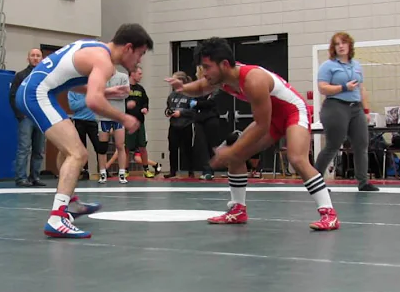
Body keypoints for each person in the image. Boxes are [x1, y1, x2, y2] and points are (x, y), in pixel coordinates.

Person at [165, 37, 339, 231]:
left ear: (223, 64)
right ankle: (238, 210)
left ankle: (329, 214)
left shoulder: (253, 79)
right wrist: (182, 88)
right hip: (271, 116)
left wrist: (232, 152)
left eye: (206, 67)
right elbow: (200, 87)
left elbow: (262, 126)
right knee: (236, 155)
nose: (204, 73)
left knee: (297, 158)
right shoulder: (222, 78)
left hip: (293, 112)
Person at [16, 23, 152, 238]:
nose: (139, 61)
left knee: (66, 150)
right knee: (77, 153)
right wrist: (124, 117)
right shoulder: (104, 62)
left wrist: (106, 91)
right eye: (140, 54)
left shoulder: (93, 48)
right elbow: (92, 101)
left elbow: (71, 82)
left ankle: (70, 203)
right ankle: (58, 217)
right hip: (37, 94)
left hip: (36, 91)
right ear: (128, 48)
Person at [314, 32, 379, 191]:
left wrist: (366, 110)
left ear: (349, 45)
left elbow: (362, 89)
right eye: (337, 44)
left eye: (343, 43)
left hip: (355, 108)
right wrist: (343, 87)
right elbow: (322, 88)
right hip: (335, 106)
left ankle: (363, 182)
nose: (341, 46)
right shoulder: (328, 66)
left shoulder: (356, 65)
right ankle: (315, 181)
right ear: (333, 48)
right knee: (333, 144)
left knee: (361, 143)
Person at [9, 48, 46, 187]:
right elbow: (12, 96)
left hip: (41, 117)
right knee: (24, 148)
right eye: (33, 55)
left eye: (38, 56)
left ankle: (35, 177)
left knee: (39, 149)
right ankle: (21, 178)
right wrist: (20, 114)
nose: (35, 58)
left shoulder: (45, 76)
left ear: (42, 59)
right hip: (26, 117)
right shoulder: (20, 76)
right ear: (28, 58)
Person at [97, 70, 131, 184]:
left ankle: (122, 173)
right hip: (103, 116)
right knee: (102, 147)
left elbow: (125, 94)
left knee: (120, 145)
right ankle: (102, 173)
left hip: (118, 116)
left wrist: (107, 93)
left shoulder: (123, 76)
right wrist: (114, 92)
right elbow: (97, 93)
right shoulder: (100, 76)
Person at [125, 65, 155, 178]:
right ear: (132, 74)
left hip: (140, 123)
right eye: (139, 73)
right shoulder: (125, 88)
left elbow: (145, 101)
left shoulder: (141, 89)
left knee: (142, 147)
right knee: (126, 148)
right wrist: (126, 105)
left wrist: (145, 108)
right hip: (128, 124)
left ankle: (146, 169)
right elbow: (118, 104)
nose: (141, 76)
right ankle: (125, 170)